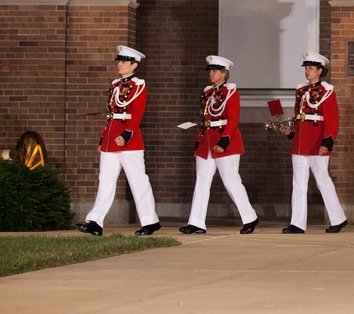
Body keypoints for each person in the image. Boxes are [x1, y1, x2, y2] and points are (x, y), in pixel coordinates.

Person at [77, 46, 160, 237]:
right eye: (119, 61)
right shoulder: (115, 85)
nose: (119, 64)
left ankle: (150, 221)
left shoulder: (139, 85)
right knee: (105, 181)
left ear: (134, 65)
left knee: (138, 181)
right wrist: (103, 138)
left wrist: (127, 134)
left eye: (124, 62)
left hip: (128, 141)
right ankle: (95, 221)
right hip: (111, 140)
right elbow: (111, 115)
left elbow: (137, 113)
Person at [179, 55, 259, 235]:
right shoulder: (207, 92)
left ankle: (249, 217)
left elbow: (233, 119)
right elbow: (203, 119)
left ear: (224, 74)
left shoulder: (231, 91)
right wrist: (197, 144)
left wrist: (224, 141)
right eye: (210, 70)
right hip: (207, 142)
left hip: (225, 142)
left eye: (215, 71)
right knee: (201, 182)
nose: (211, 74)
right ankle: (196, 222)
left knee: (231, 181)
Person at [282, 52, 347, 234]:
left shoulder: (327, 91)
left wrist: (327, 142)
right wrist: (291, 131)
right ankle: (297, 223)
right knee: (299, 183)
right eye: (306, 68)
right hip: (301, 143)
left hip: (318, 142)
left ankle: (338, 219)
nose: (307, 71)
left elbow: (332, 120)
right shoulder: (301, 90)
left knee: (322, 181)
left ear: (320, 70)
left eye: (311, 68)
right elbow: (298, 116)